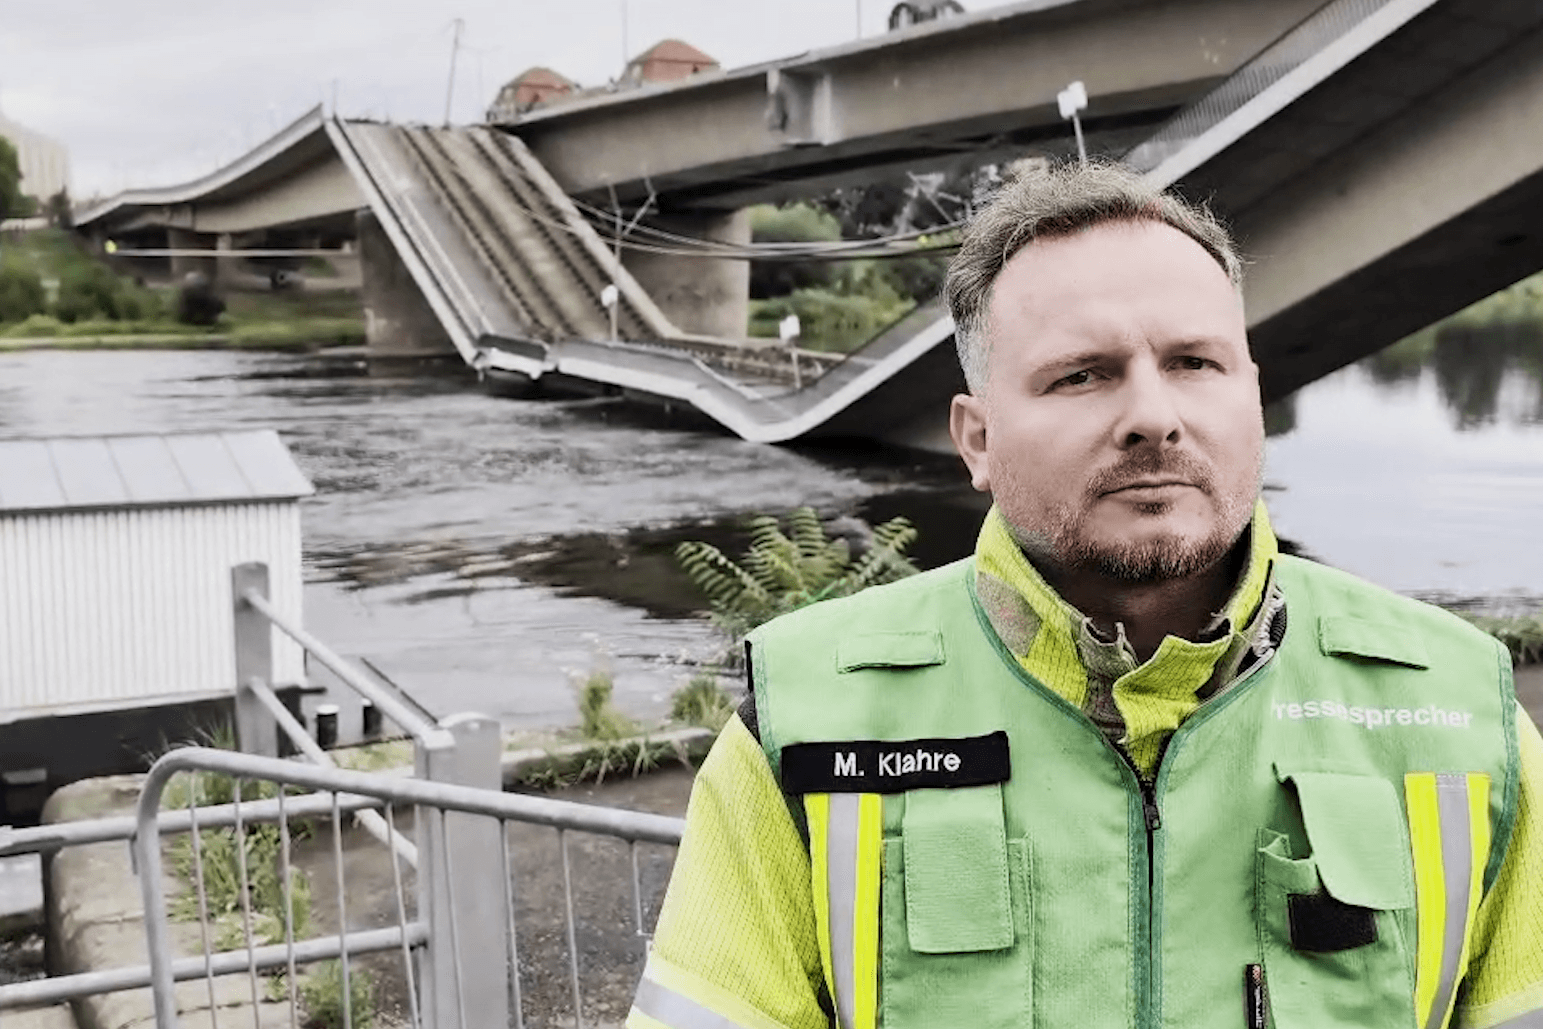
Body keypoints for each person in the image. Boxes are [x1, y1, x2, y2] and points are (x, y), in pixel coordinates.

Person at [626, 161, 1543, 1029]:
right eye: (1082, 374)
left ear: (1253, 397)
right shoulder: (806, 721)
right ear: (976, 439)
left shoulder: (1459, 714)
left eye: (1194, 362)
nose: (1153, 414)